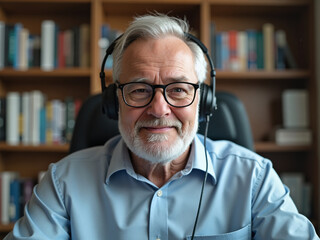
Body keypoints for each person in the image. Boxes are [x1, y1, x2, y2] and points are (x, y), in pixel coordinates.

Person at [5, 14, 319, 240]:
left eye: (179, 89)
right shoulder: (64, 183)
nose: (158, 109)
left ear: (202, 101)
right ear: (115, 102)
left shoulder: (254, 177)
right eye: (140, 90)